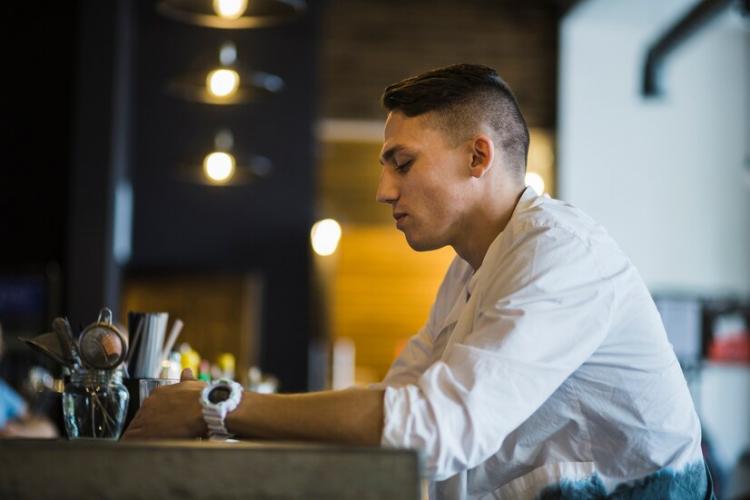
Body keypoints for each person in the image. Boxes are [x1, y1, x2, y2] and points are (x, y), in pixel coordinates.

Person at [123, 64, 711, 499]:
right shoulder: (468, 270)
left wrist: (218, 405)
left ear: (478, 157)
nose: (383, 191)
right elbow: (396, 409)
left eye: (401, 164)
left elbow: (432, 430)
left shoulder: (562, 254)